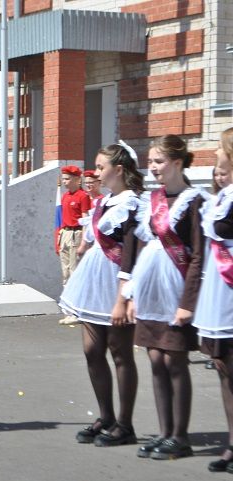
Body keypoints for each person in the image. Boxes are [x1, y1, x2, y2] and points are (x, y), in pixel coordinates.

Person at [59, 143, 146, 447]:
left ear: (119, 169)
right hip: (94, 281)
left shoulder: (133, 204)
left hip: (117, 281)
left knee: (120, 352)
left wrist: (126, 295)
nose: (95, 173)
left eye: (100, 167)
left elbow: (133, 251)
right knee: (91, 351)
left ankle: (125, 424)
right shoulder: (104, 201)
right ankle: (105, 416)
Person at [128, 134, 208, 460]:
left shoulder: (194, 201)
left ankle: (180, 436)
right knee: (155, 359)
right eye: (150, 162)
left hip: (177, 291)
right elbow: (145, 246)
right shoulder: (153, 200)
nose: (153, 168)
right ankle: (164, 433)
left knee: (175, 361)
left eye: (159, 162)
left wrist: (188, 303)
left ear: (177, 162)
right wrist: (131, 292)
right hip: (151, 291)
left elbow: (199, 257)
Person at [192, 128, 233, 472]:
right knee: (224, 369)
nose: (215, 153)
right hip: (221, 290)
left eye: (220, 149)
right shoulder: (220, 197)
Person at [58, 165, 92, 325]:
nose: (65, 182)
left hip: (76, 234)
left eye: (68, 179)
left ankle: (76, 310)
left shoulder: (83, 196)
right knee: (65, 272)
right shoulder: (65, 196)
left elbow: (86, 220)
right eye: (64, 178)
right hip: (65, 233)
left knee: (74, 271)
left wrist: (84, 242)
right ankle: (68, 308)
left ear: (78, 180)